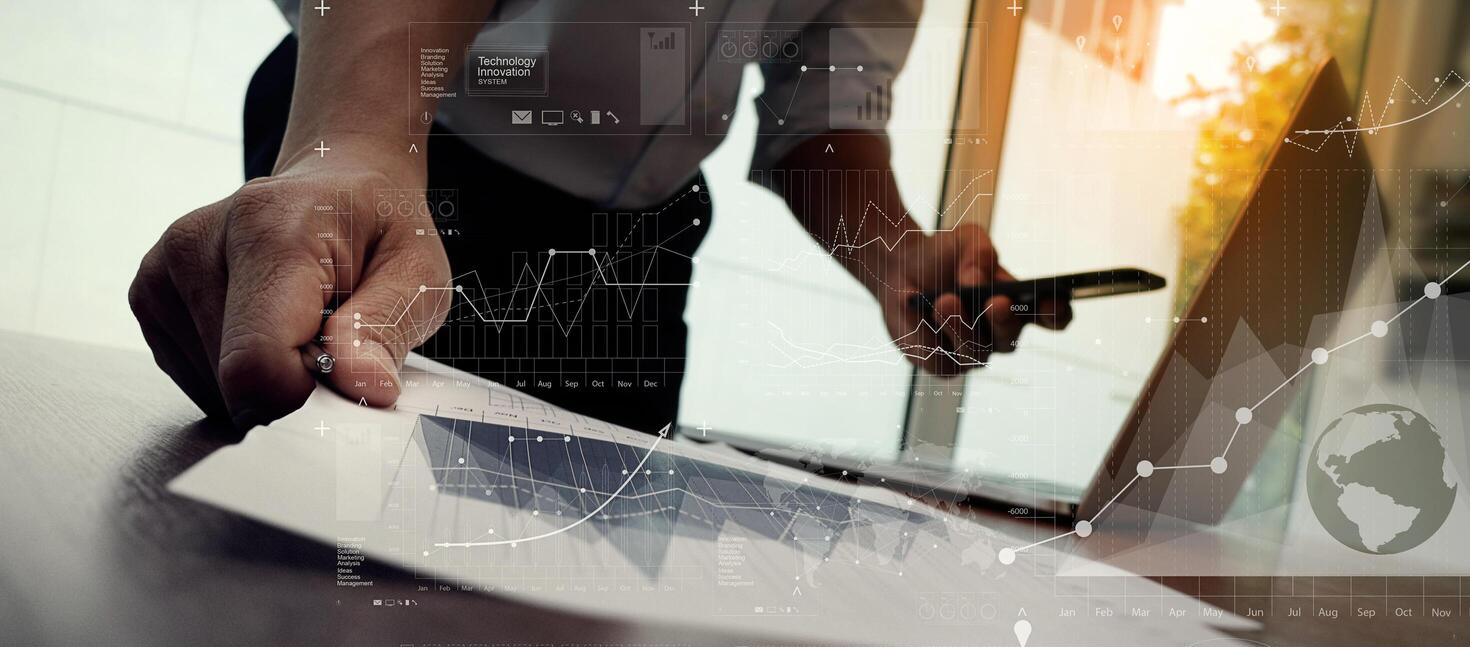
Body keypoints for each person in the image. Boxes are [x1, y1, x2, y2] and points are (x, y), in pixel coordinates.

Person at [129, 1, 1069, 434]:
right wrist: (357, 142)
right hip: (419, 142)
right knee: (327, 552)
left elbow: (823, 110)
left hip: (637, 245)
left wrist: (898, 254)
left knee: (574, 610)